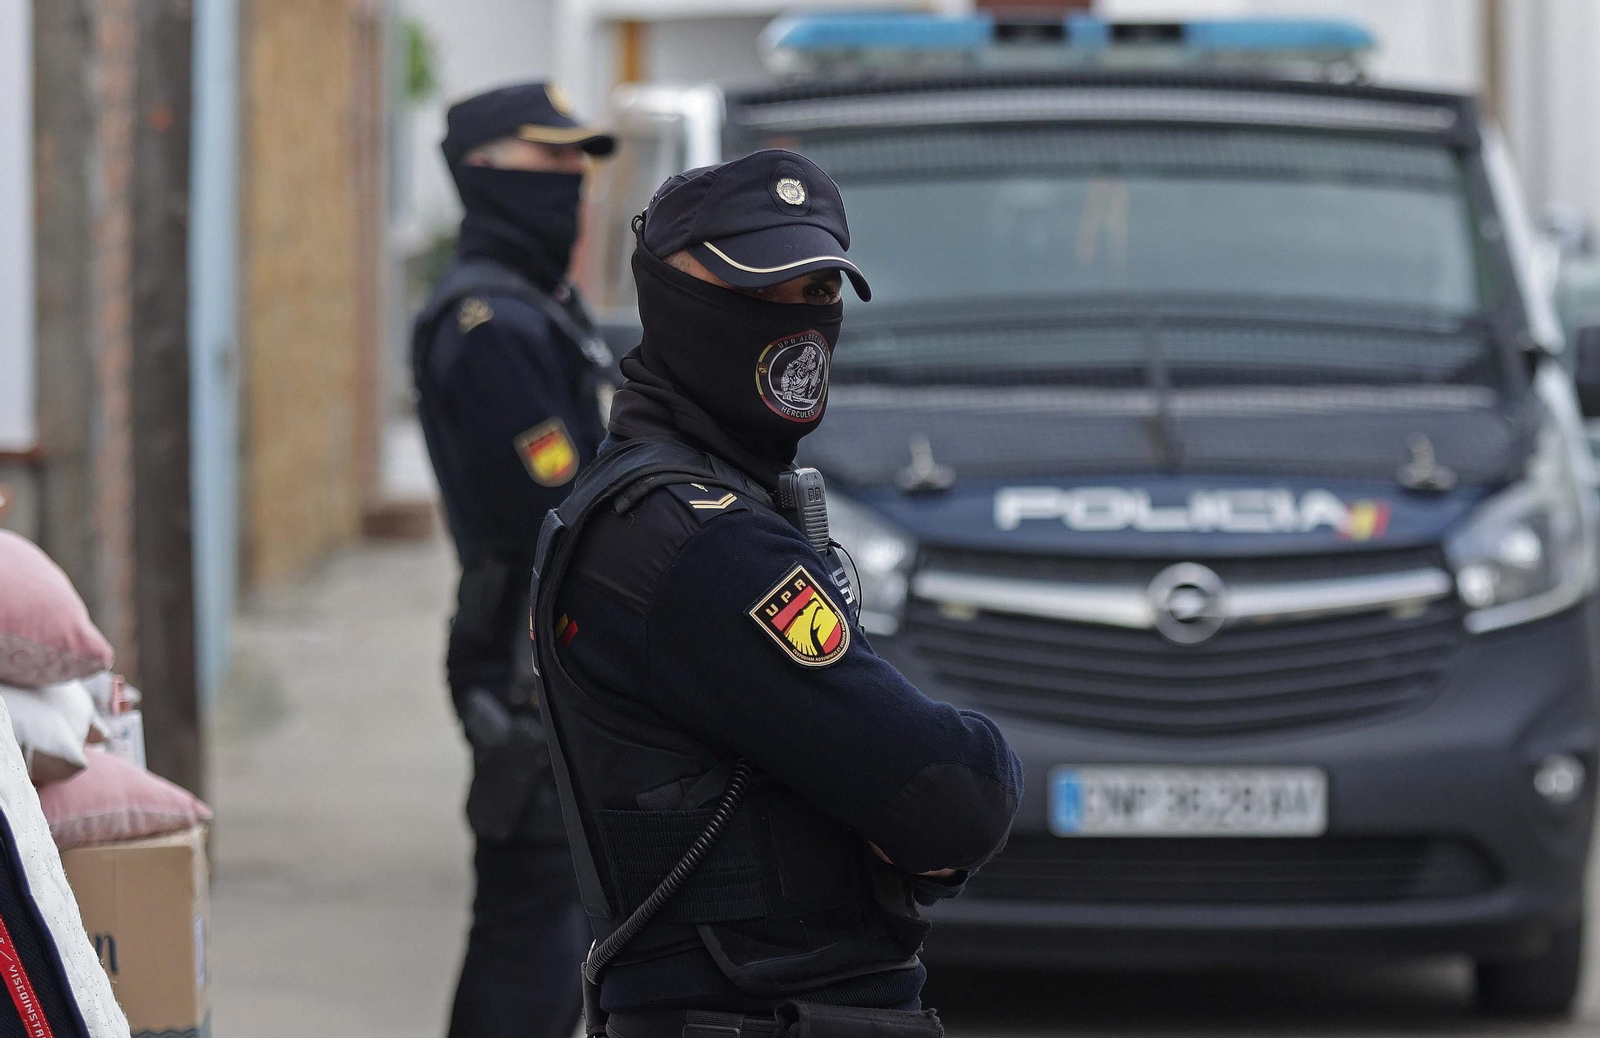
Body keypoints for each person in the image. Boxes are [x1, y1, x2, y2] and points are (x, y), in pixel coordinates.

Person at [529, 150, 1023, 1038]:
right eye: (757, 294)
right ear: (667, 296)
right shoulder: (698, 540)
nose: (796, 325)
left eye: (815, 294)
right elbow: (956, 798)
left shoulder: (688, 501)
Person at [410, 81, 616, 1038]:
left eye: (581, 162)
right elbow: (558, 511)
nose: (574, 181)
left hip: (541, 655)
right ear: (484, 173)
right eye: (553, 161)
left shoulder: (538, 305)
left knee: (548, 936)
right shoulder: (490, 325)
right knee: (528, 945)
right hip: (527, 666)